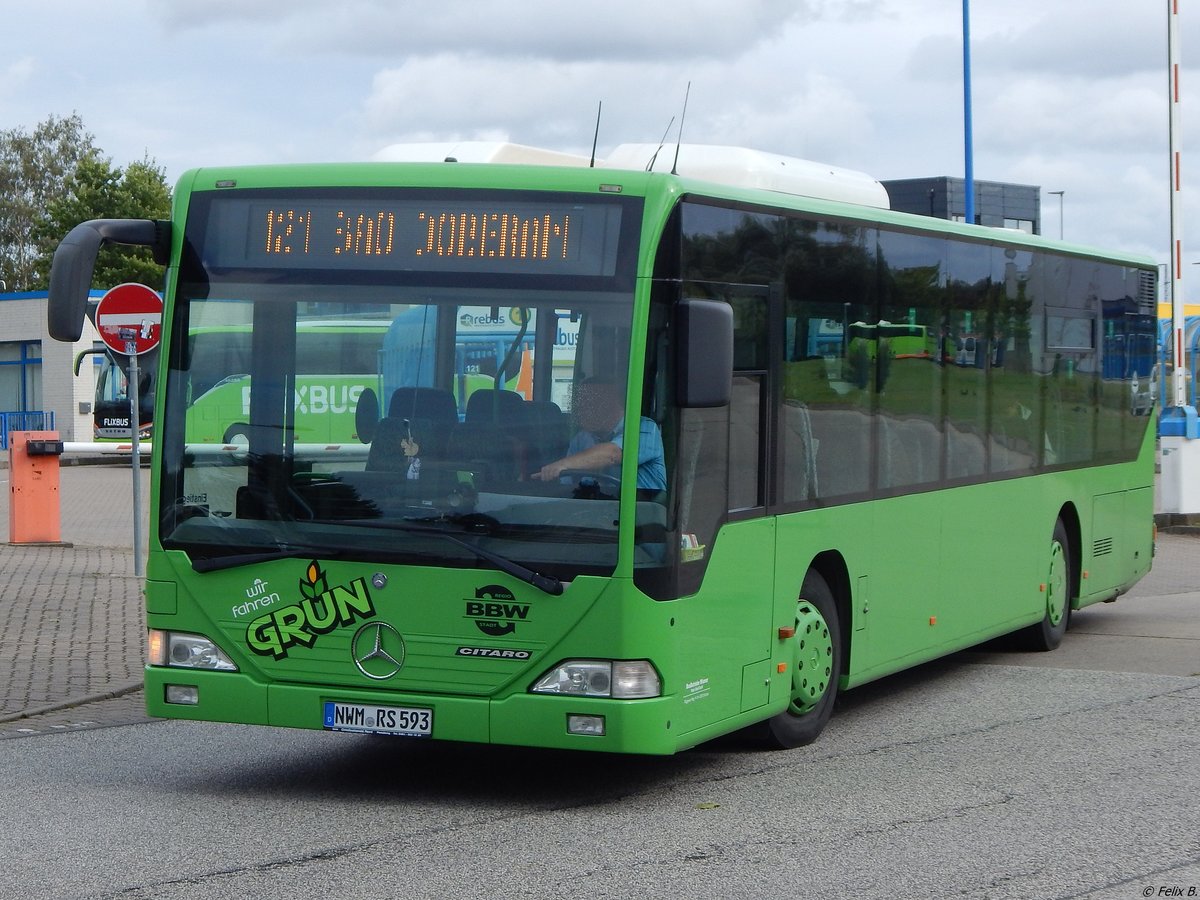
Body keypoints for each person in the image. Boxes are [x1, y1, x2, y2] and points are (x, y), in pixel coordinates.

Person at [532, 379, 666, 491]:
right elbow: (568, 486)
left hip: (641, 512)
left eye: (588, 404)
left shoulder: (645, 429)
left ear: (612, 405)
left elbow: (612, 454)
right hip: (595, 511)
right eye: (580, 404)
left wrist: (562, 465)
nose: (580, 410)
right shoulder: (582, 439)